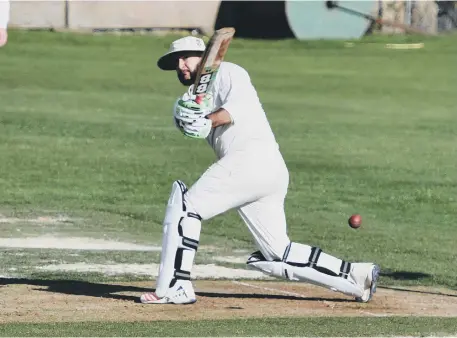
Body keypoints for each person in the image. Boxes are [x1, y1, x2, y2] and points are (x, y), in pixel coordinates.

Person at [140, 35, 380, 305]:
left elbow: (236, 108)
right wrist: (192, 120)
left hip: (251, 160)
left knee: (186, 207)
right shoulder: (188, 99)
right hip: (264, 170)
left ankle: (175, 285)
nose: (180, 65)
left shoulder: (229, 72)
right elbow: (188, 123)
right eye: (176, 61)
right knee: (278, 252)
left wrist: (209, 120)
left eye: (185, 57)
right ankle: (356, 276)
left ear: (205, 57)